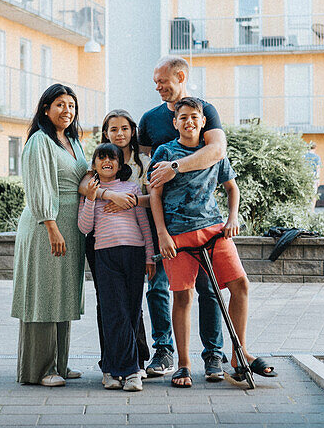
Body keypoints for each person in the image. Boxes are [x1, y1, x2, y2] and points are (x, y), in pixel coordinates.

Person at [149, 97, 277, 388]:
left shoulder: (213, 152)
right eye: (183, 117)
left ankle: (239, 354)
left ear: (203, 121)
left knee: (240, 285)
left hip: (214, 231)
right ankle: (183, 364)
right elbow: (154, 194)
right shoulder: (164, 151)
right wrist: (162, 234)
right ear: (175, 122)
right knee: (183, 296)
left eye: (194, 117)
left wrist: (233, 218)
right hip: (177, 236)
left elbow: (232, 188)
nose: (189, 122)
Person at [137, 56, 228, 382]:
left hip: (199, 220)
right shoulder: (148, 120)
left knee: (208, 288)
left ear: (181, 76)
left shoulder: (206, 110)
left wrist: (175, 168)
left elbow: (217, 152)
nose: (159, 88)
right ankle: (164, 350)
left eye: (163, 82)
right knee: (159, 285)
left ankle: (214, 356)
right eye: (156, 84)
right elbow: (143, 168)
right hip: (161, 219)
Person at [11, 84, 89, 386]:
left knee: (62, 293)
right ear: (46, 109)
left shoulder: (71, 141)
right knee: (44, 293)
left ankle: (59, 362)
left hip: (70, 226)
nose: (66, 110)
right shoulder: (40, 141)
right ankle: (40, 369)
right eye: (60, 104)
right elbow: (39, 187)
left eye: (71, 105)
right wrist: (51, 226)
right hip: (48, 227)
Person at [80, 110, 153, 388]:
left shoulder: (141, 166)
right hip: (104, 248)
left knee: (132, 308)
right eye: (113, 129)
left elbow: (151, 203)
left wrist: (131, 199)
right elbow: (86, 192)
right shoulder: (95, 170)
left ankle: (135, 364)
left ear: (132, 131)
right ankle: (111, 366)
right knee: (111, 308)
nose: (119, 133)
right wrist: (106, 194)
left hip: (133, 247)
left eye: (124, 128)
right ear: (105, 133)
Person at [304, 141, 323, 212]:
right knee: (314, 195)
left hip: (305, 177)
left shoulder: (304, 156)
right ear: (315, 148)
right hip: (313, 178)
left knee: (305, 194)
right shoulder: (317, 157)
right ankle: (312, 210)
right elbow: (318, 169)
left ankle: (305, 209)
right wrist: (318, 180)